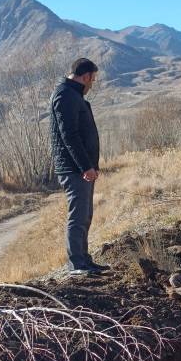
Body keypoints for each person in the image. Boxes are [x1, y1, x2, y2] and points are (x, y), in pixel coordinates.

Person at [50, 57, 108, 276]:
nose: (92, 83)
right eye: (93, 79)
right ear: (86, 77)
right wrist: (85, 166)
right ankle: (76, 264)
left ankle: (85, 260)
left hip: (81, 168)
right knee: (78, 215)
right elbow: (69, 136)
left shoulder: (73, 95)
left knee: (85, 215)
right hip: (74, 169)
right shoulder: (65, 95)